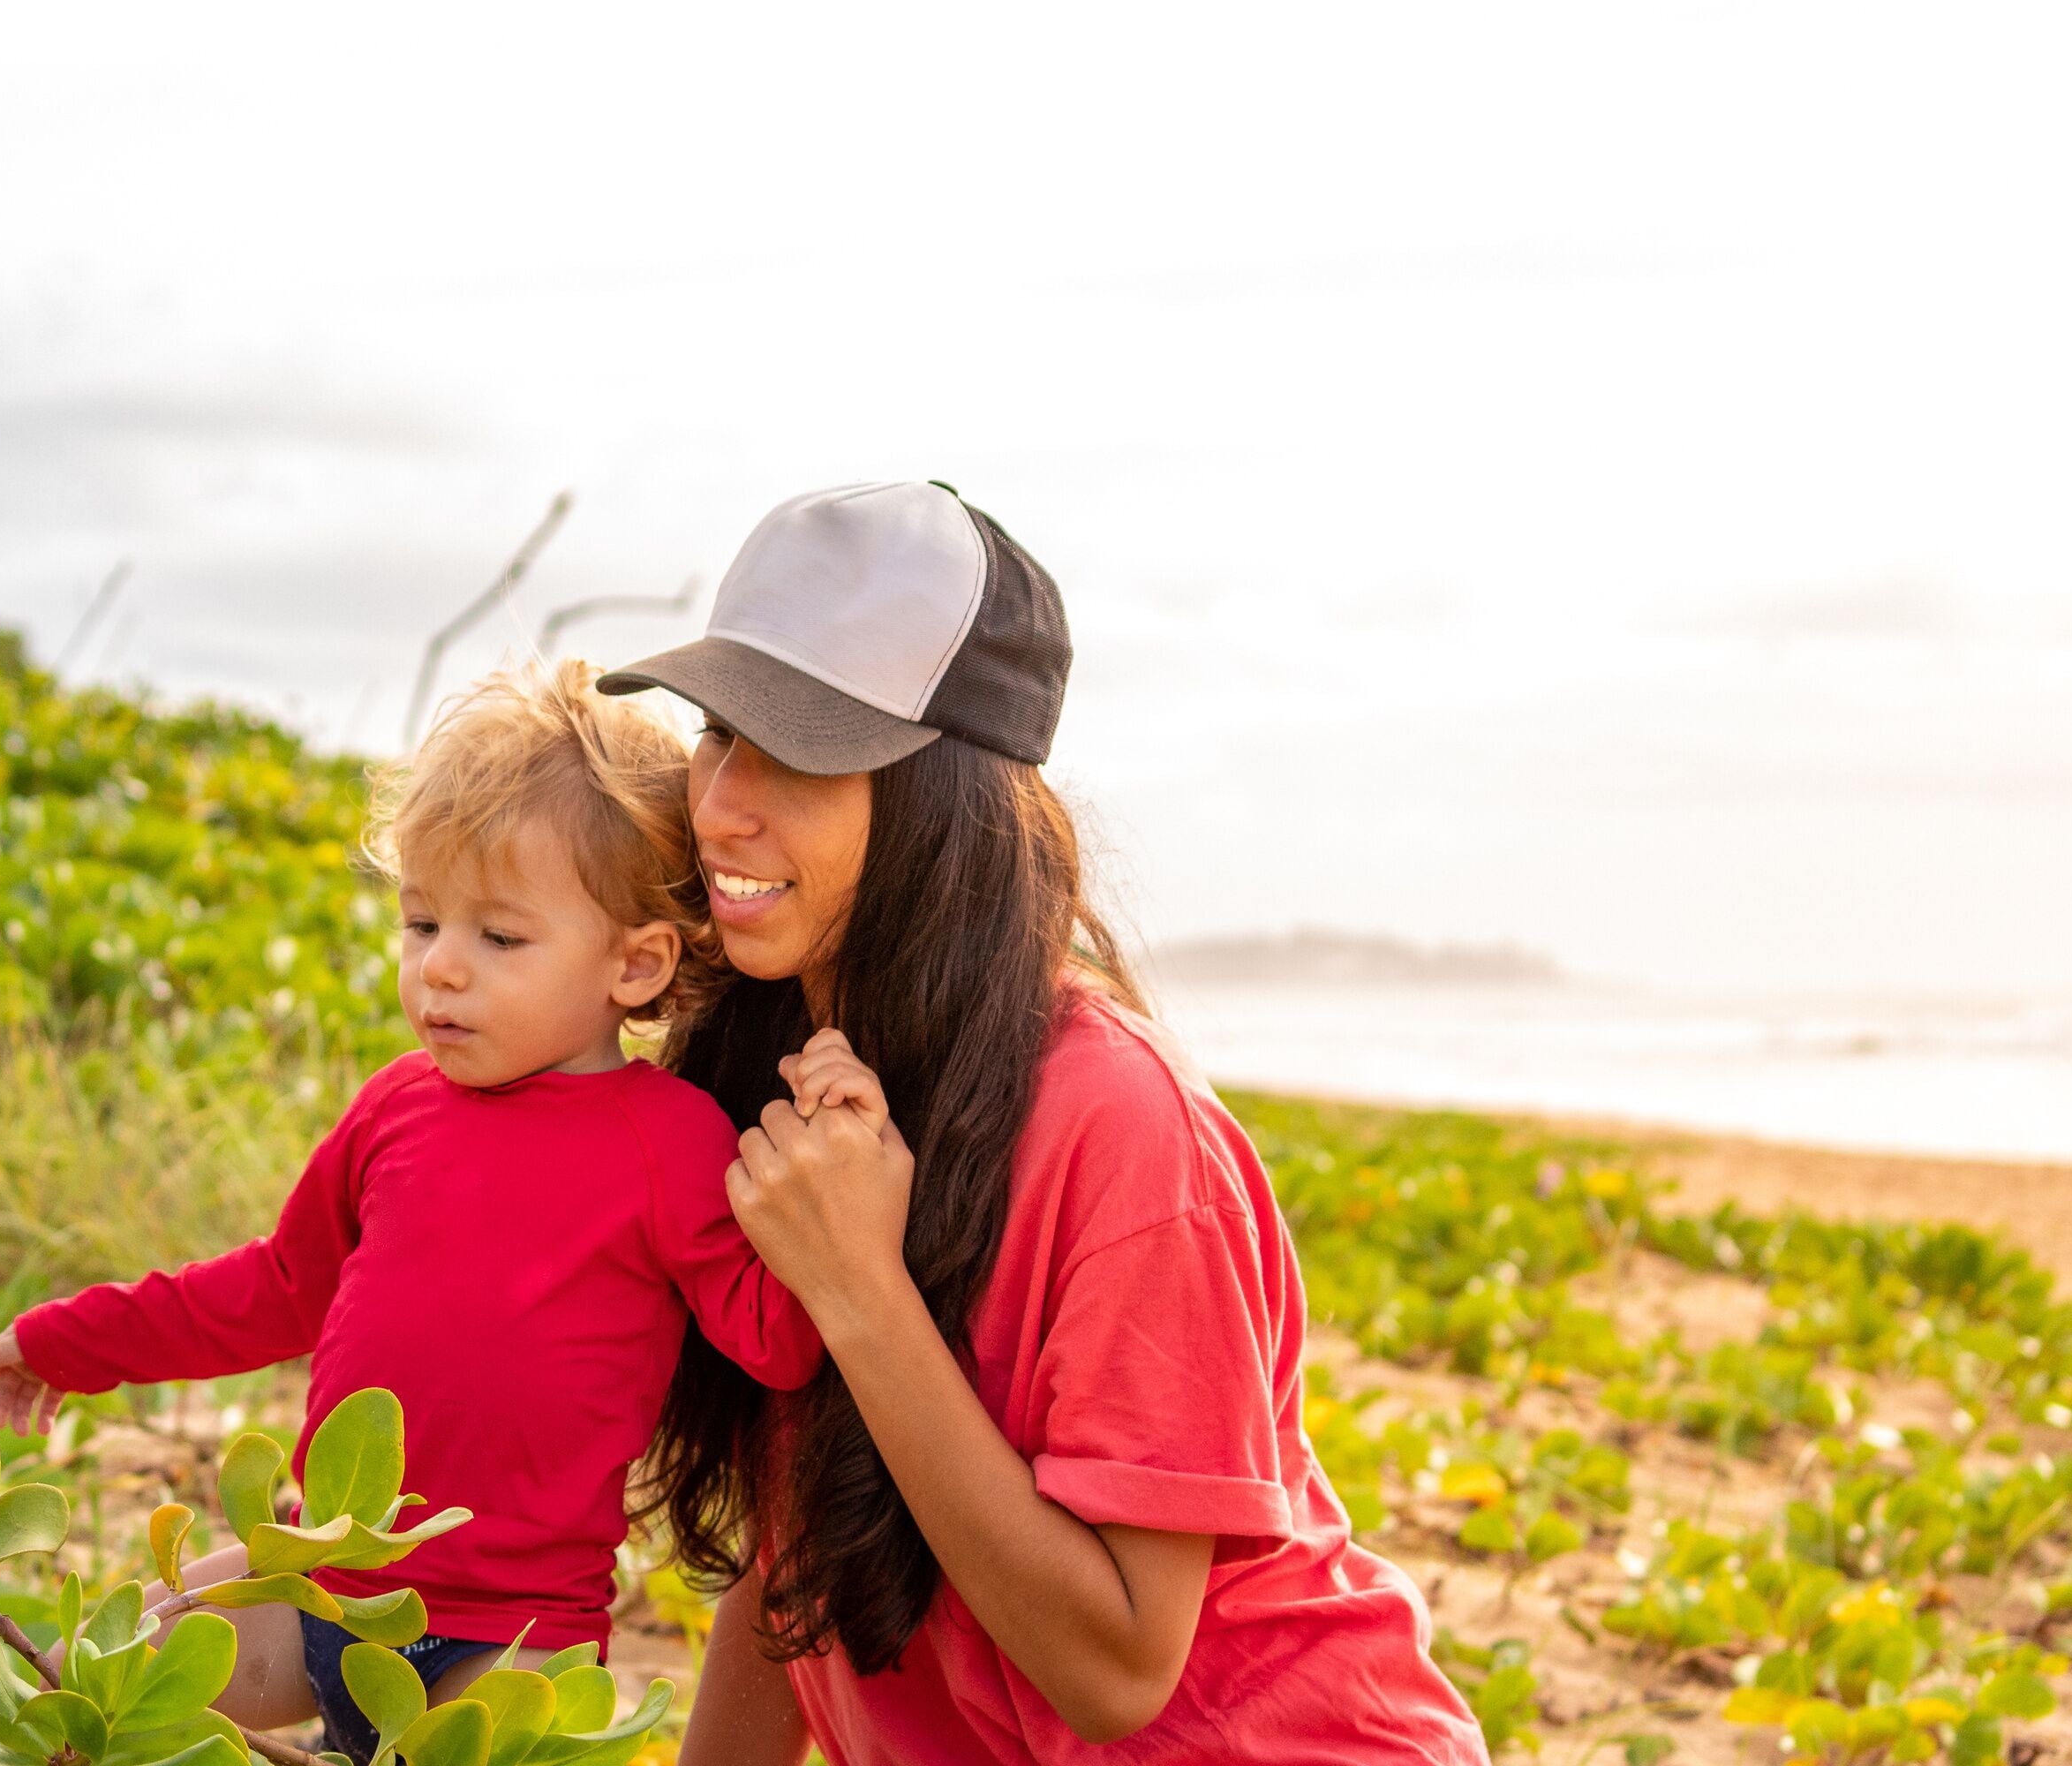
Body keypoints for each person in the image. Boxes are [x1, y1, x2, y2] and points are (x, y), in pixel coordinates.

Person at [606, 481, 1488, 1763]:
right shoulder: (779, 1060)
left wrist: (859, 1292)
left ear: (939, 806)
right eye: (718, 734)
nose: (723, 804)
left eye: (796, 753)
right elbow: (798, 1554)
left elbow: (1120, 1667)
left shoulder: (1118, 1126)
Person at [0, 662, 823, 1756]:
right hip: (316, 1584)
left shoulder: (672, 1139)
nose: (441, 970)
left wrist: (835, 1190)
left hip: (510, 1639)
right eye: (421, 923)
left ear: (635, 964)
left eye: (499, 938)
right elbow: (273, 1289)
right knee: (91, 1688)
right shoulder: (396, 1106)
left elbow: (777, 1342)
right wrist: (65, 1338)